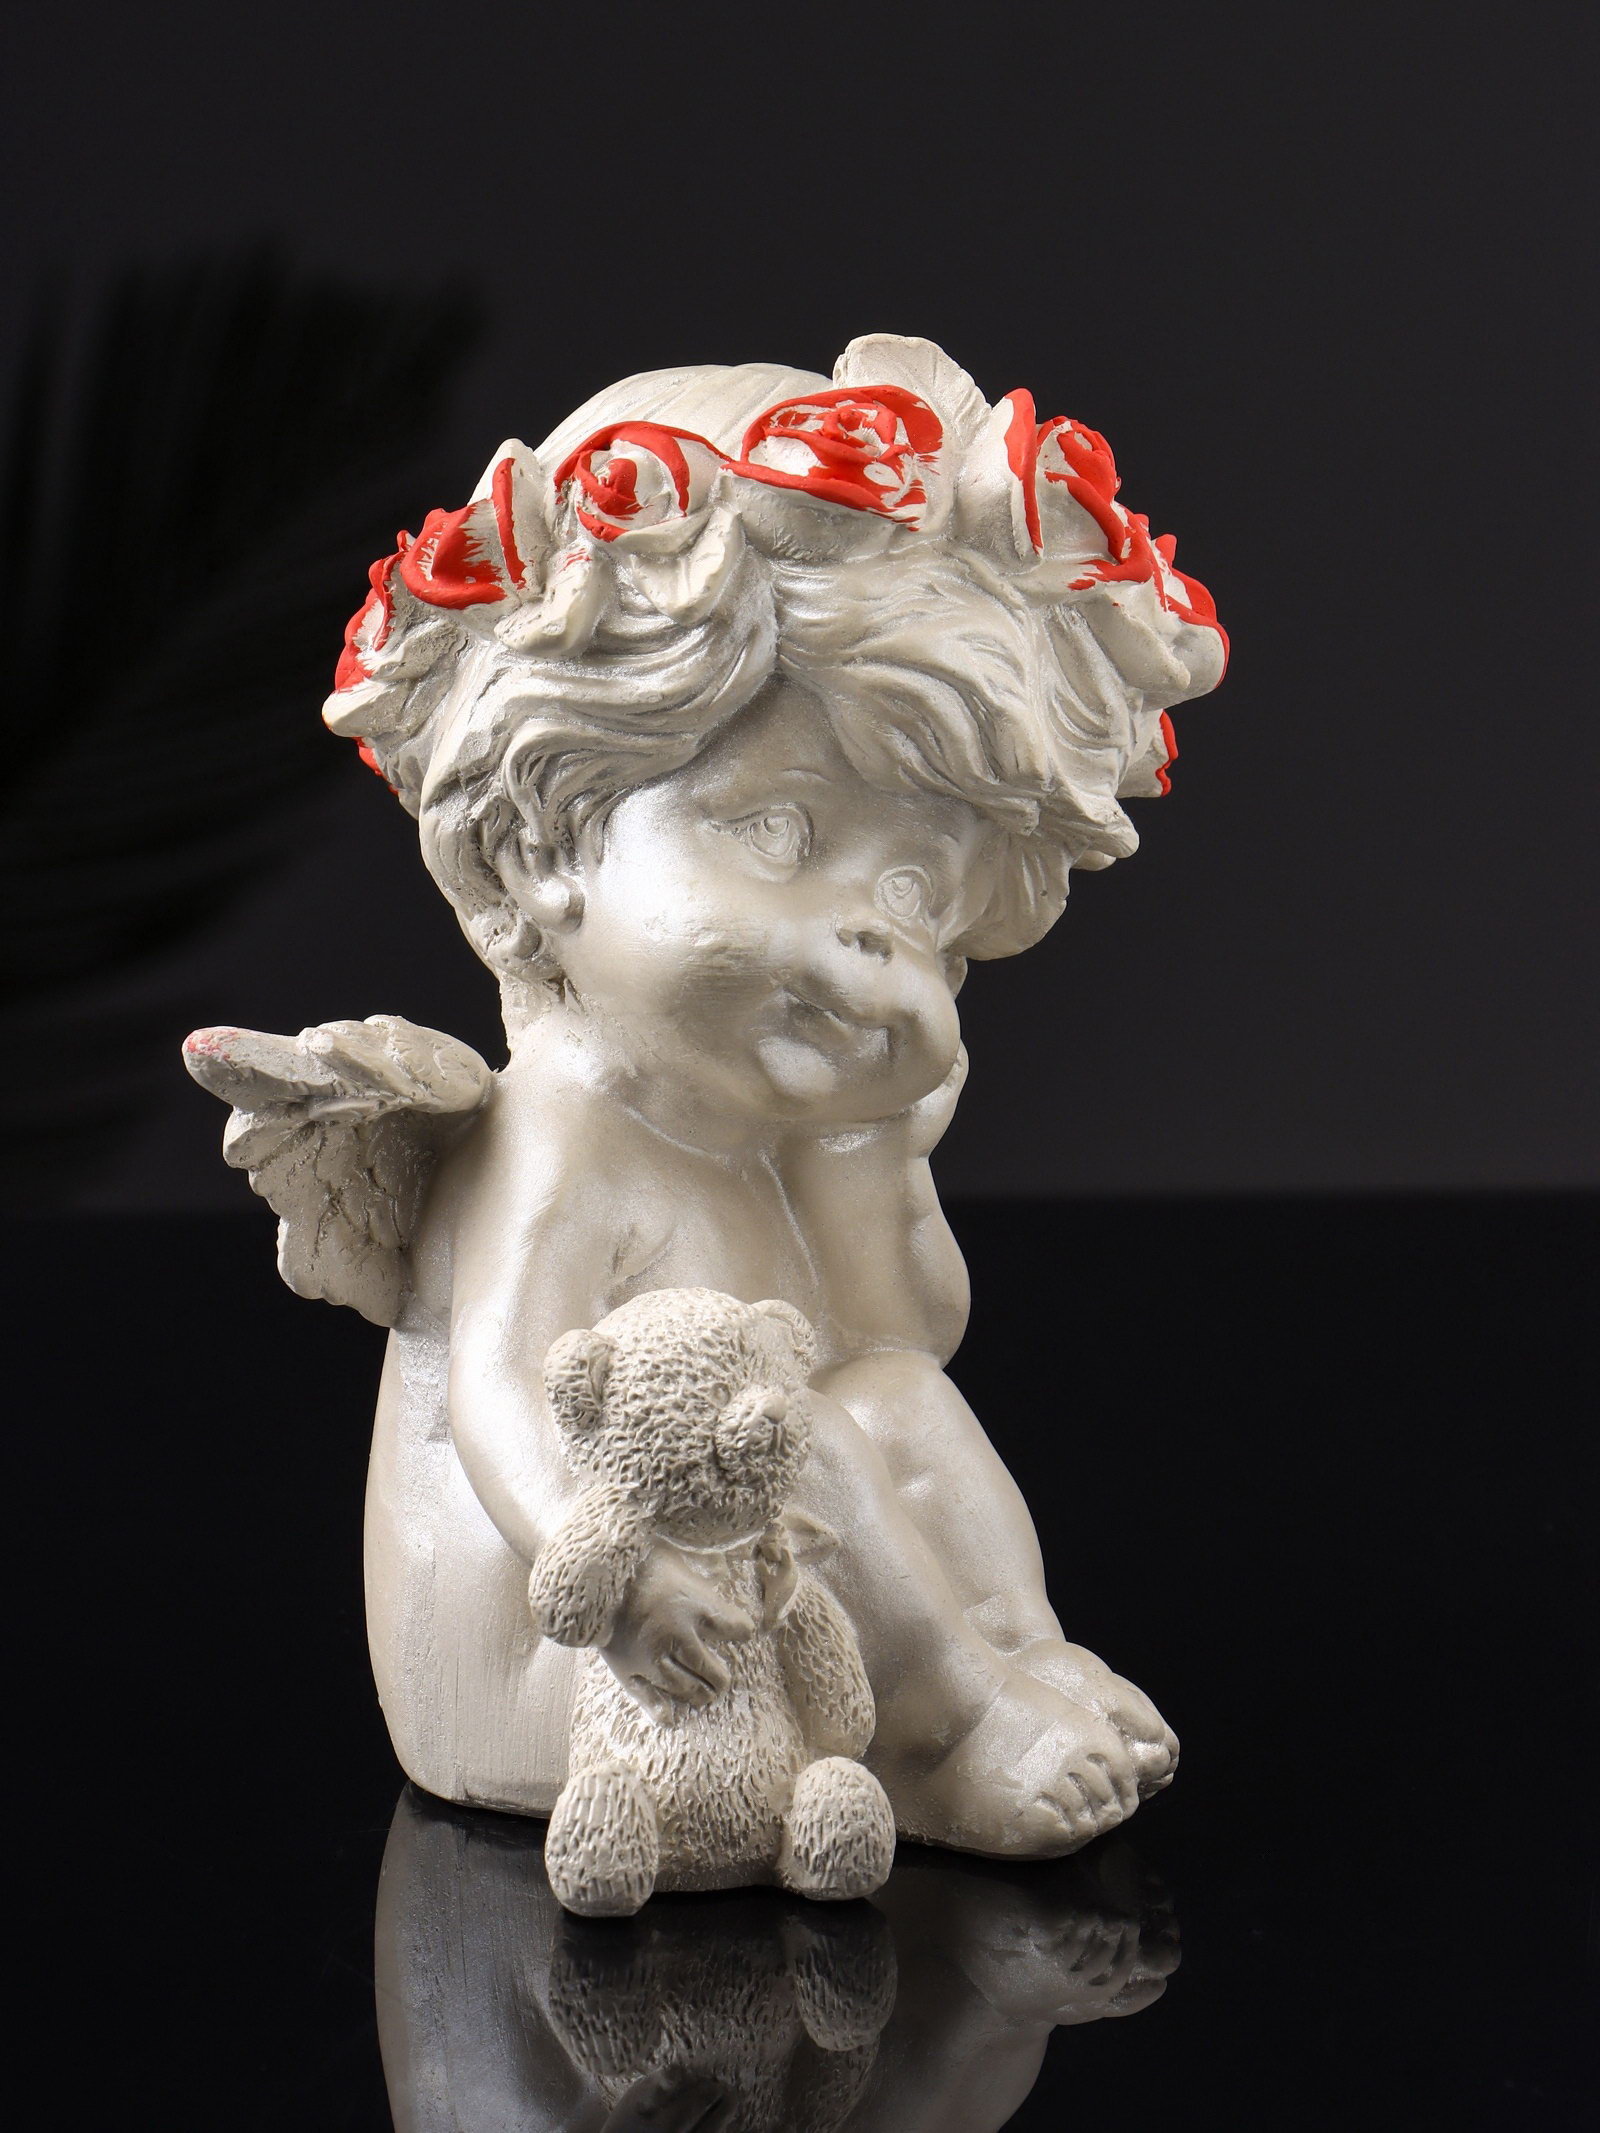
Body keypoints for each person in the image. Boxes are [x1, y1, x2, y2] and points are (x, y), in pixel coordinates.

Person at [315, 336, 1225, 1855]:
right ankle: (952, 1727)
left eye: (916, 894)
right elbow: (503, 1396)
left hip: (753, 1598)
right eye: (783, 832)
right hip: (578, 1638)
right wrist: (611, 1574)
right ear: (546, 843)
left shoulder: (764, 1126)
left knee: (889, 1401)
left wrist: (876, 1152)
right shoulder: (559, 1126)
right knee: (801, 1431)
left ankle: (1011, 1655)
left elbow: (898, 1336)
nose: (872, 935)